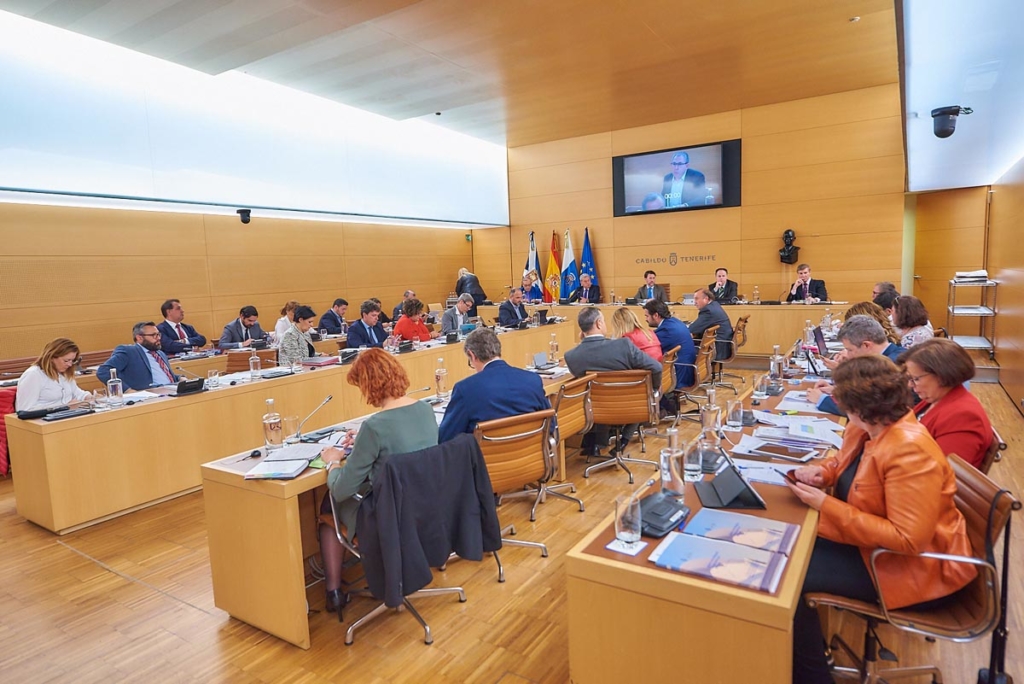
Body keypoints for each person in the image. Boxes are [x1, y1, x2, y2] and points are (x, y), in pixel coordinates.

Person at [786, 355, 976, 683]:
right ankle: (809, 659)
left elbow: (908, 539)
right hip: (874, 550)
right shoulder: (868, 429)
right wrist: (821, 473)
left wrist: (825, 504)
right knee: (790, 546)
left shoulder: (909, 450)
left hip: (914, 570)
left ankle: (812, 675)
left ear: (859, 408)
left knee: (790, 578)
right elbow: (844, 464)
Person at [318, 348, 439, 613]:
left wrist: (333, 461)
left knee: (328, 506)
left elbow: (341, 490)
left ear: (370, 385)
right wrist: (362, 441)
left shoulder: (374, 426)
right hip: (426, 508)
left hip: (389, 517)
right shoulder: (425, 409)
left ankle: (334, 592)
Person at [565, 308, 662, 455]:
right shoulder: (624, 345)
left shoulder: (571, 357)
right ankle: (622, 441)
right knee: (641, 392)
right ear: (599, 323)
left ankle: (597, 443)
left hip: (596, 411)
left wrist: (582, 341)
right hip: (632, 406)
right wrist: (653, 390)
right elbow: (656, 367)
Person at [438, 328, 551, 442]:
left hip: (486, 454)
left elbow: (446, 439)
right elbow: (551, 425)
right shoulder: (533, 380)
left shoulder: (465, 389)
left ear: (472, 355)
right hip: (532, 451)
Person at [900, 339, 993, 470]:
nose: (910, 385)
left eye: (915, 379)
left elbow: (941, 472)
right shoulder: (935, 398)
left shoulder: (963, 417)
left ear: (941, 376)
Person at [808, 316, 907, 415]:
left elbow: (865, 410)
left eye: (850, 350)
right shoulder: (896, 353)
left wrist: (822, 400)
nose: (848, 355)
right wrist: (837, 391)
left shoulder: (888, 366)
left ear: (866, 345)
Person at [97, 322, 179, 391]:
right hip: (152, 393)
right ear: (139, 338)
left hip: (172, 389)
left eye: (158, 334)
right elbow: (103, 371)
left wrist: (179, 378)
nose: (158, 338)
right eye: (154, 335)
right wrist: (127, 390)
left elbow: (161, 375)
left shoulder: (160, 353)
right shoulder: (129, 351)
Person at [15, 338, 91, 412]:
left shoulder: (64, 372)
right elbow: (25, 410)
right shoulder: (33, 375)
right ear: (51, 357)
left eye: (72, 360)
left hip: (66, 415)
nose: (70, 364)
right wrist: (64, 406)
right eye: (66, 360)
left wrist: (89, 397)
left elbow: (77, 393)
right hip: (43, 419)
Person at [644, 300, 697, 390]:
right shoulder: (674, 322)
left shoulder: (667, 330)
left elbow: (649, 347)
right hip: (686, 369)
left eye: (647, 316)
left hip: (679, 375)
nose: (646, 319)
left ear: (656, 315)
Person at [688, 288, 733, 361]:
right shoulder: (714, 305)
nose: (694, 302)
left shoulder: (708, 311)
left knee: (683, 349)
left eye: (696, 299)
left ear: (706, 299)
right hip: (724, 345)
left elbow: (692, 329)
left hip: (717, 349)